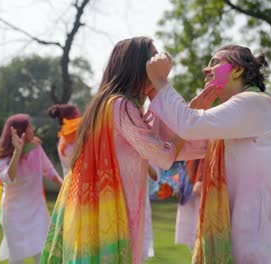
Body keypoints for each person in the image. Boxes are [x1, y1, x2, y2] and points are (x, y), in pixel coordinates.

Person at [40, 37, 184, 264]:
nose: (159, 62)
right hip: (113, 214)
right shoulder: (121, 106)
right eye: (153, 58)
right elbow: (163, 156)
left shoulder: (108, 104)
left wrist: (156, 91)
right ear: (138, 65)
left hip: (102, 210)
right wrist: (185, 128)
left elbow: (158, 136)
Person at [146, 45, 271, 263]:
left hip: (259, 238)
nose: (206, 69)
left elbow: (190, 125)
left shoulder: (256, 103)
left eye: (215, 62)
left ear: (237, 70)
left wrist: (160, 83)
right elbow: (173, 149)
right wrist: (187, 107)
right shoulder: (229, 120)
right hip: (239, 235)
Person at [0, 114, 63, 264]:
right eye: (30, 126)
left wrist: (68, 189)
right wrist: (17, 152)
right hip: (13, 214)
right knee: (16, 259)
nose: (33, 129)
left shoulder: (36, 148)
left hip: (37, 212)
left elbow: (50, 171)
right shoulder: (3, 157)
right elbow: (8, 178)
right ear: (21, 131)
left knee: (42, 255)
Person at [48, 104, 81, 176]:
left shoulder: (62, 139)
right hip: (78, 182)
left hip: (69, 184)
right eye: (78, 114)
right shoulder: (76, 138)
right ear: (73, 116)